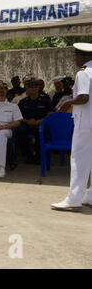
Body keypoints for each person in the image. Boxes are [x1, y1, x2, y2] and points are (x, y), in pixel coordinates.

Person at [51, 43, 92, 212]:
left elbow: (83, 97)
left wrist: (68, 102)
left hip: (85, 123)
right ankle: (90, 197)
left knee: (78, 160)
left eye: (76, 56)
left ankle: (74, 199)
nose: (75, 59)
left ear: (83, 56)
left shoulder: (83, 73)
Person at [16, 77, 53, 164]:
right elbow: (18, 116)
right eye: (31, 87)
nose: (33, 89)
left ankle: (38, 156)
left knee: (39, 130)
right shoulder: (23, 102)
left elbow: (50, 115)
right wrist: (27, 121)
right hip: (27, 124)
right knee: (20, 130)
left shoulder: (45, 100)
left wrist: (39, 121)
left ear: (38, 88)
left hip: (40, 124)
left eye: (35, 87)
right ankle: (28, 155)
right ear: (27, 88)